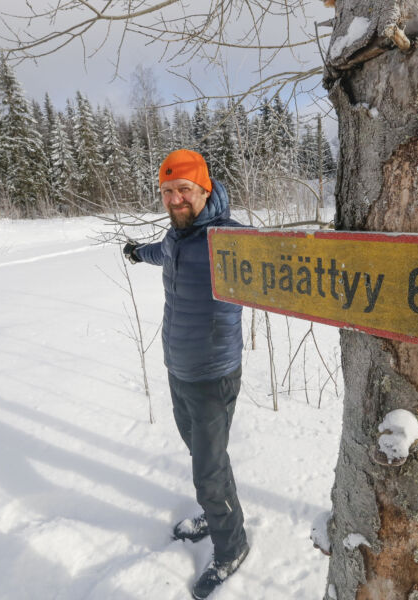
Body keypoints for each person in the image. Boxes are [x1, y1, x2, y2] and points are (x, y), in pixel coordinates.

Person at [122, 149, 248, 599]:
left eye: (184, 189)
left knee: (208, 472)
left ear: (205, 189)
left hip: (213, 374)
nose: (175, 198)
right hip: (179, 370)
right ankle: (217, 515)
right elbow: (163, 253)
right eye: (167, 191)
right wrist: (137, 253)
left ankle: (232, 546)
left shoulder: (228, 238)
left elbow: (277, 261)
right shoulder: (177, 237)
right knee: (203, 457)